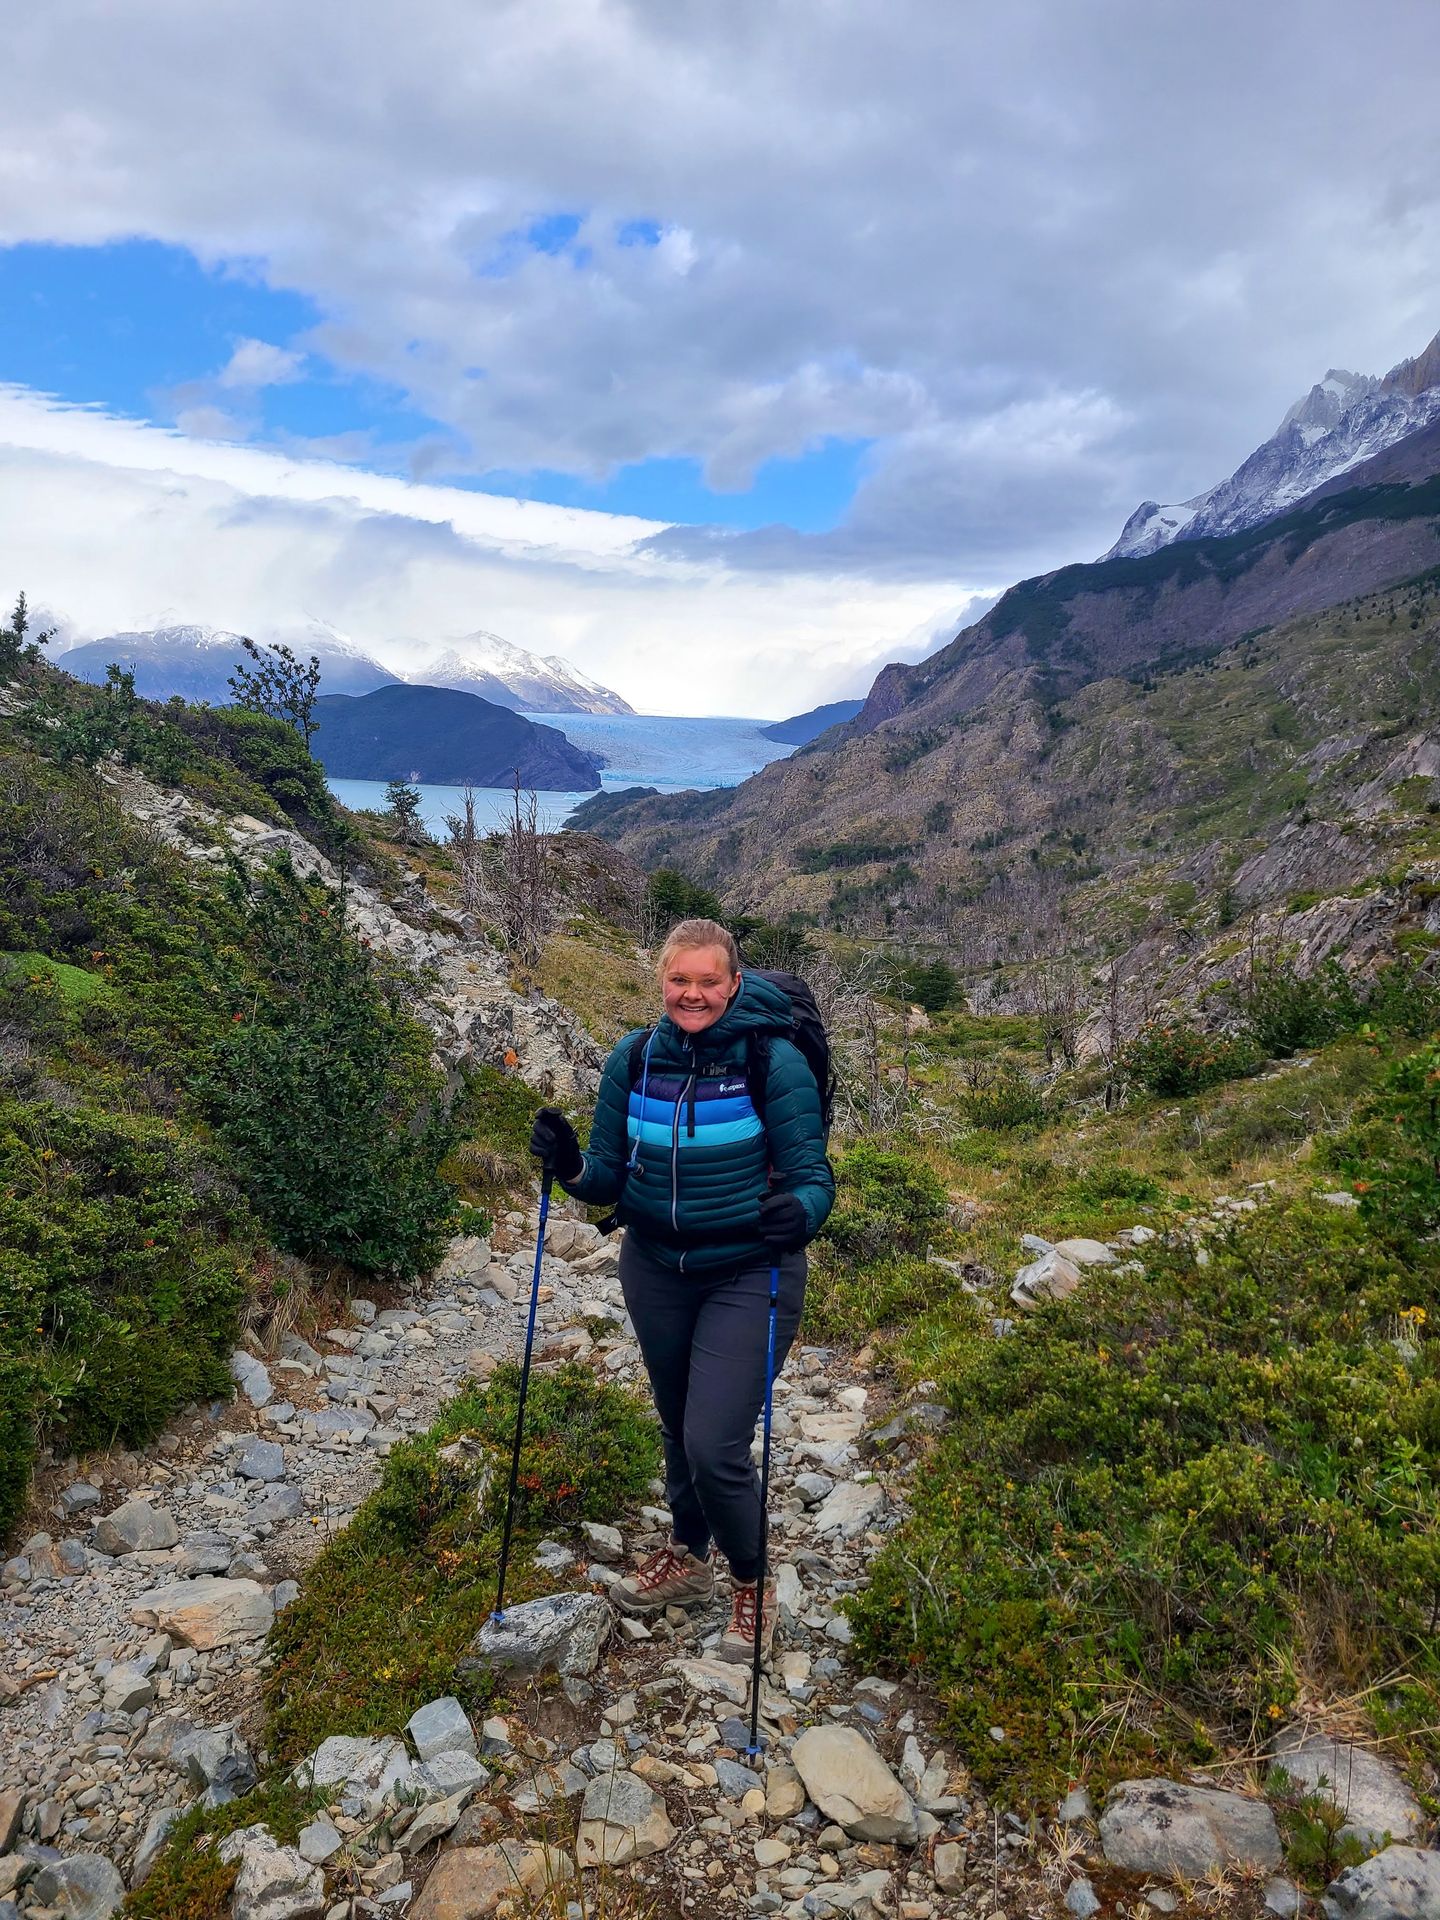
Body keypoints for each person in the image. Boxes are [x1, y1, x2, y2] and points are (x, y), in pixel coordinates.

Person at [529, 917, 834, 1662]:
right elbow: (606, 1175)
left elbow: (813, 1178)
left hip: (749, 1269)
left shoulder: (775, 1062)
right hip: (655, 1267)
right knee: (676, 1421)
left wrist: (800, 1215)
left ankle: (754, 1585)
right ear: (659, 981)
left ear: (733, 984)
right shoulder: (632, 1059)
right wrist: (570, 1165)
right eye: (678, 980)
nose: (692, 994)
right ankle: (690, 1556)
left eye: (707, 981)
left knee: (714, 1443)